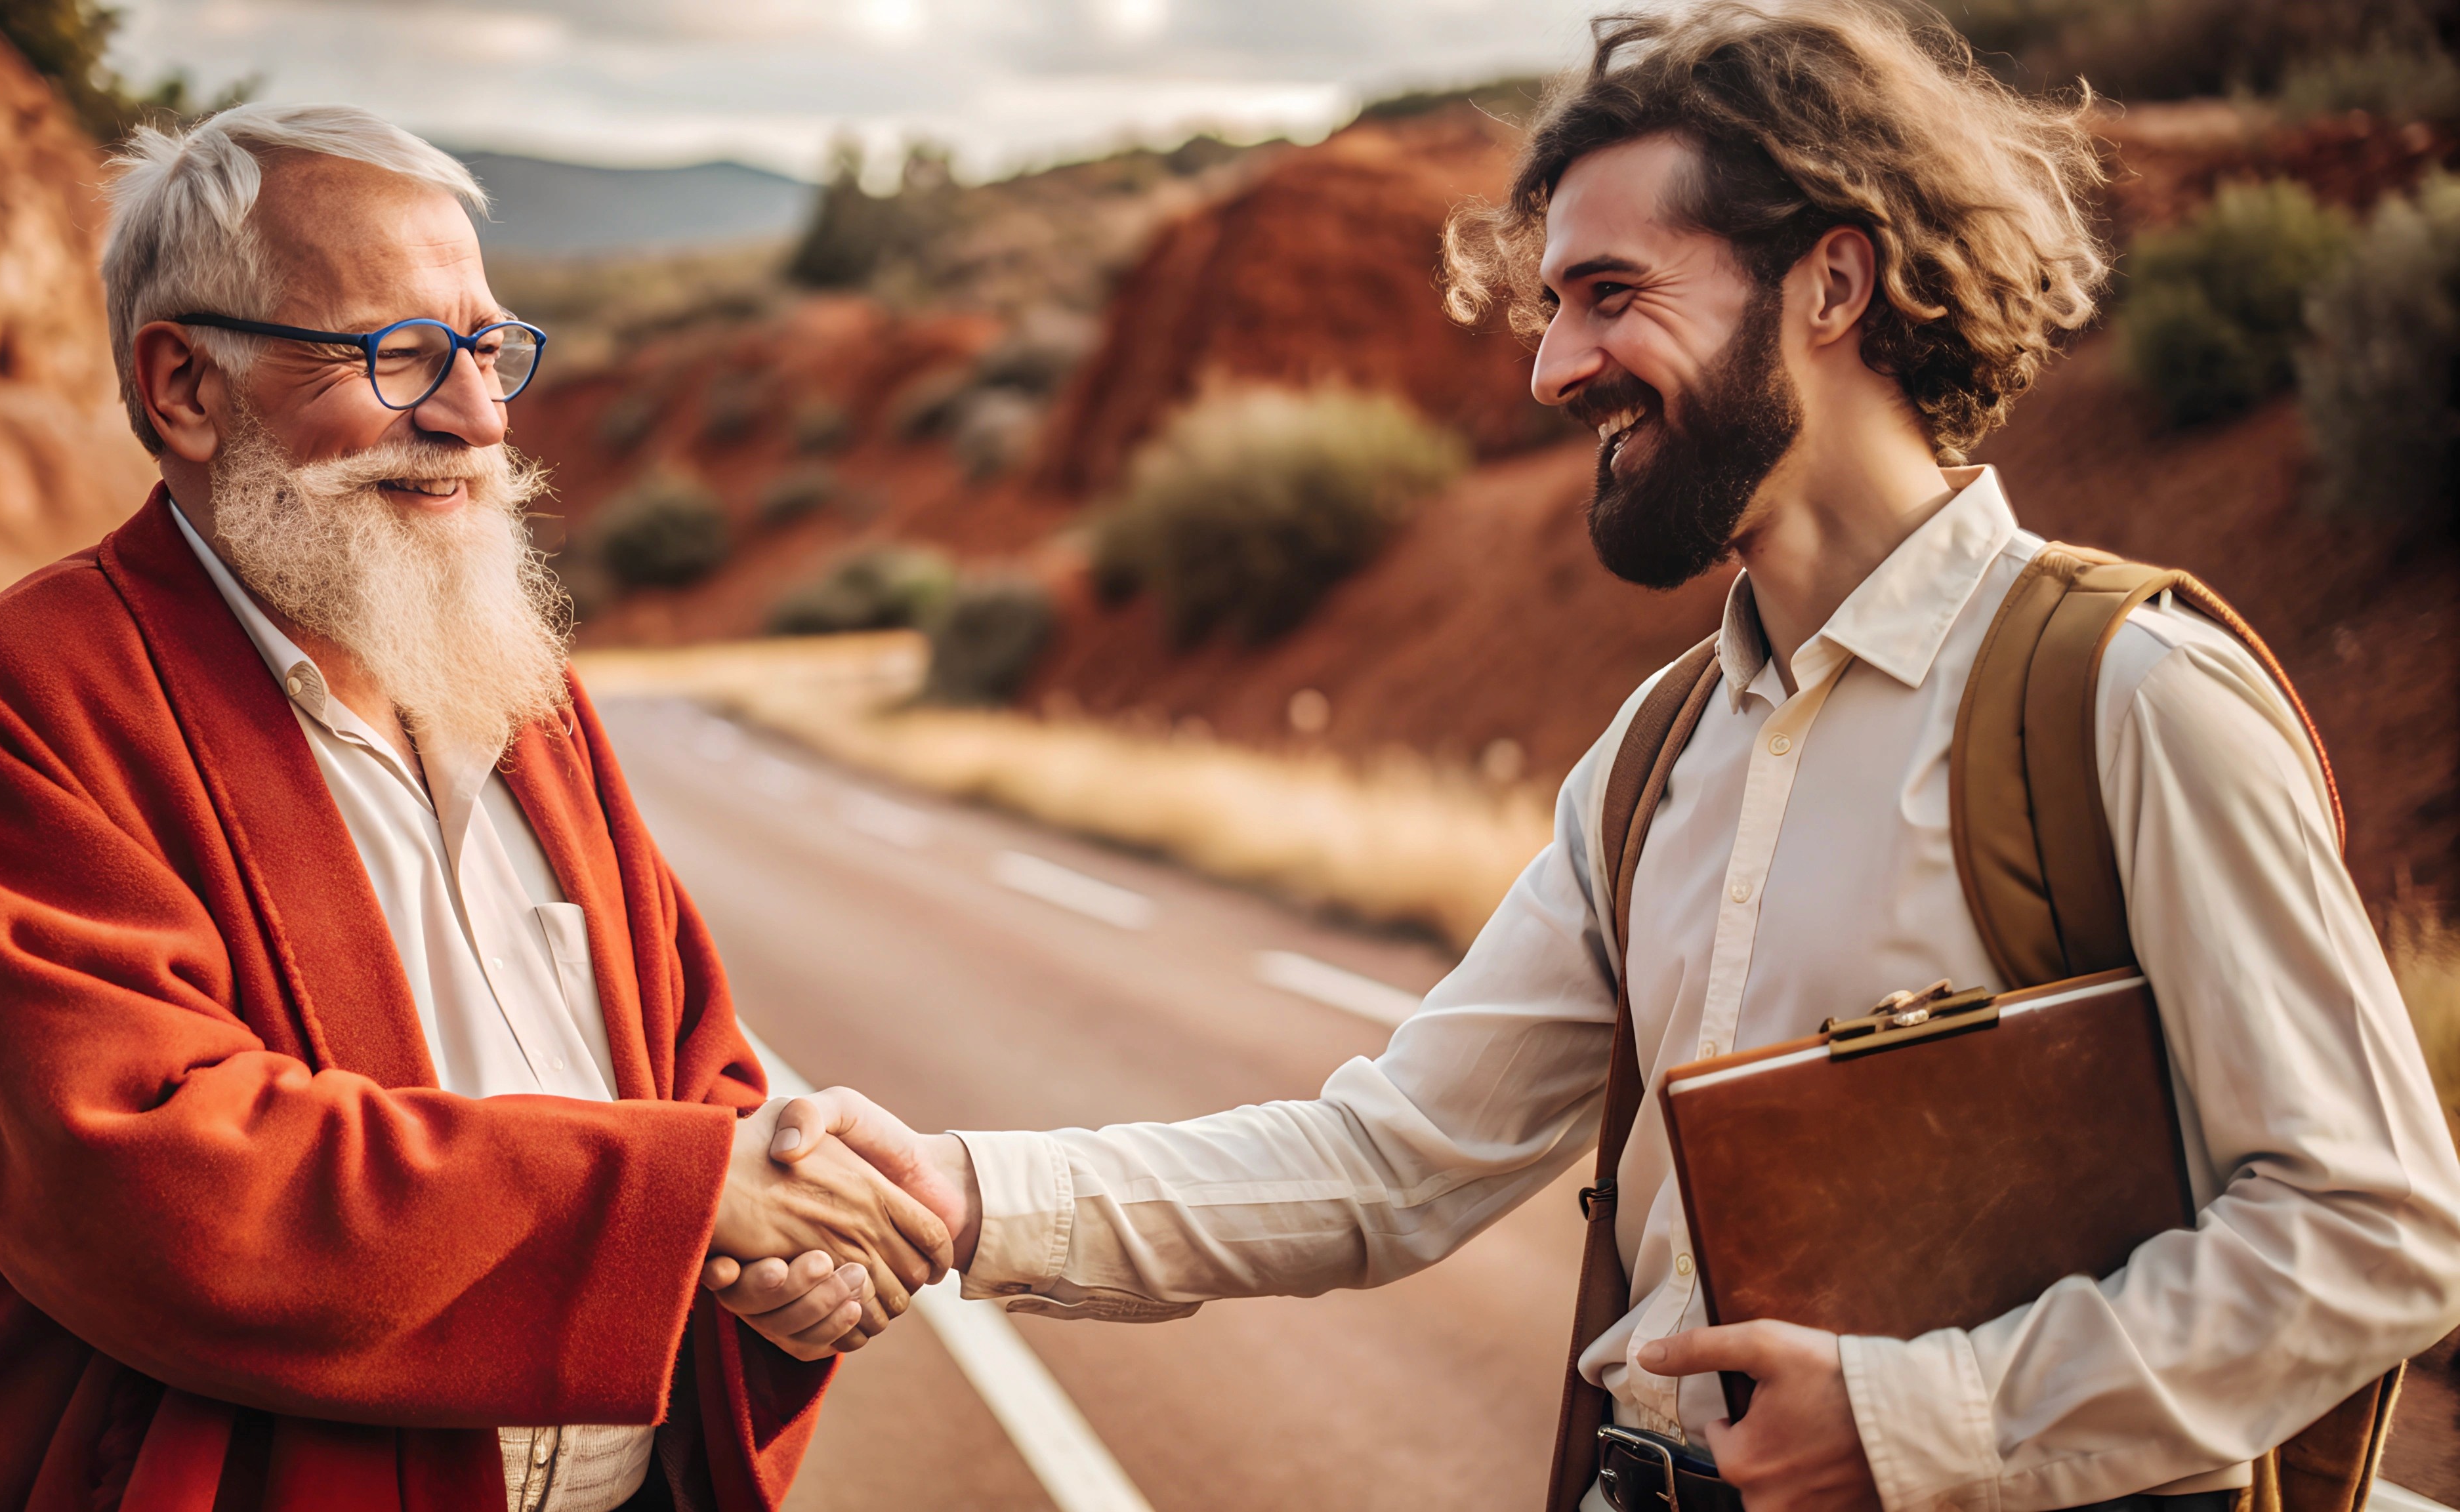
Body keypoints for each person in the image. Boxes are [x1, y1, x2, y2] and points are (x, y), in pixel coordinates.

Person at [720, 4, 2460, 1508]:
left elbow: (2375, 1230)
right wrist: (955, 1192)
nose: (1555, 368)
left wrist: (1924, 1422)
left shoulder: (2127, 694)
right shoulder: (1654, 761)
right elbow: (1390, 1163)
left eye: (1610, 295)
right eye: (1550, 307)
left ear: (1834, 279)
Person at [0, 103, 948, 1512]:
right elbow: (164, 1180)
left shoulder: (521, 688)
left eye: (488, 347)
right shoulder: (25, 702)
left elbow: (696, 1076)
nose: (477, 416)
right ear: (184, 383)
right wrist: (687, 1200)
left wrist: (774, 1256)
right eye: (399, 353)